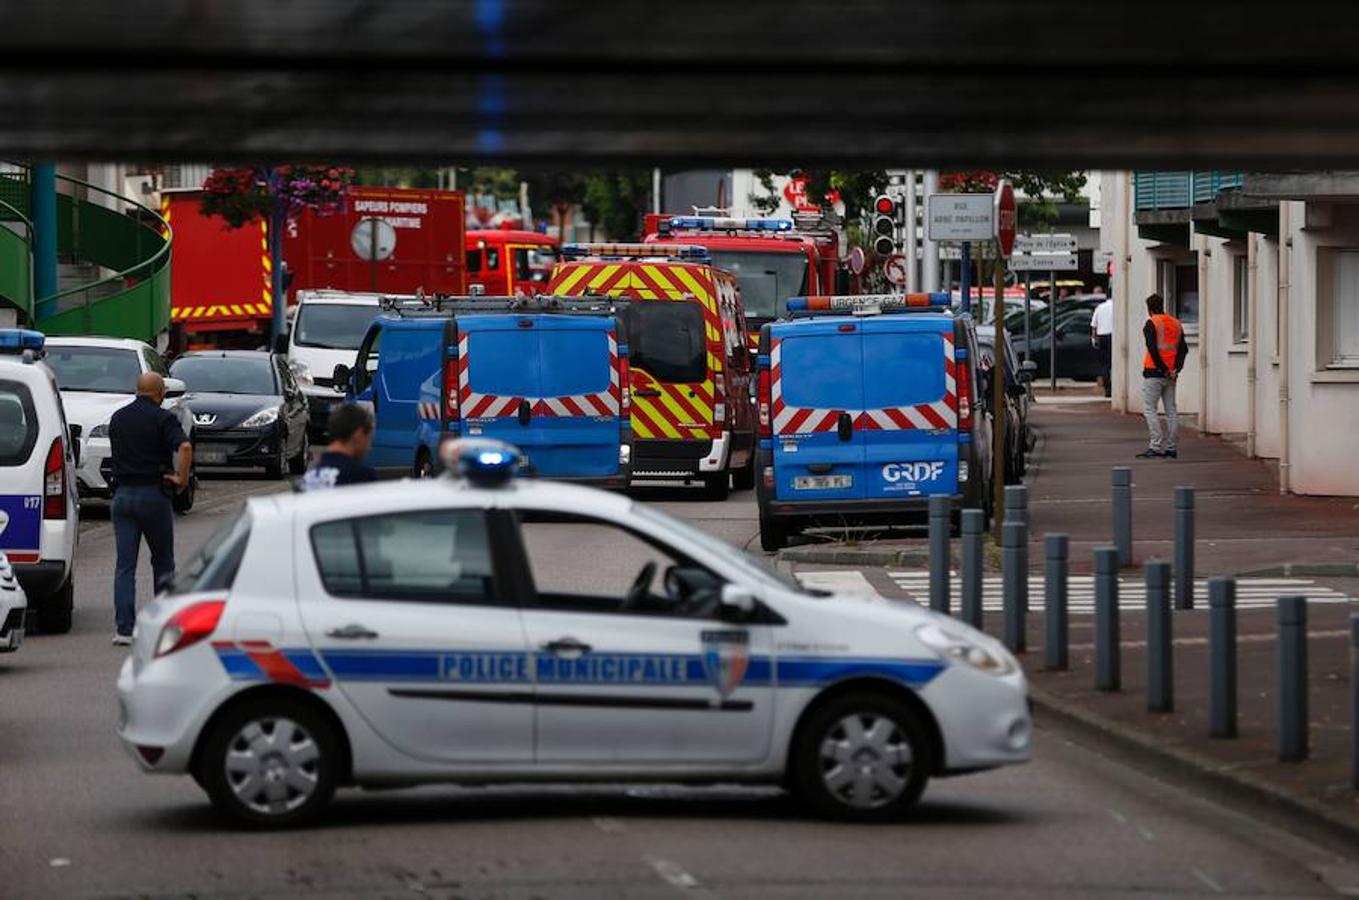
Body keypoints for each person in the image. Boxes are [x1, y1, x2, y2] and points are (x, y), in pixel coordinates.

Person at [108, 372, 192, 645]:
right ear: (159, 393)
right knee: (163, 562)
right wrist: (182, 478)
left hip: (122, 496)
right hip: (153, 495)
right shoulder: (163, 418)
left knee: (125, 566)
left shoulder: (118, 418)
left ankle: (123, 630)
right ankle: (161, 626)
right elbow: (185, 446)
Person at [1137, 293, 1188, 460]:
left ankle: (1156, 445)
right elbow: (1183, 350)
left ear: (1150, 309)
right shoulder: (1176, 323)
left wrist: (1163, 368)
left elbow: (1152, 348)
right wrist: (1175, 370)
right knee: (1171, 410)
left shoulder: (1151, 323)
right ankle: (1172, 448)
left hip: (1153, 372)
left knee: (1150, 409)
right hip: (1171, 375)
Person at [301, 402, 377, 490]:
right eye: (368, 438)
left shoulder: (309, 477)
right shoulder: (362, 478)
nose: (368, 447)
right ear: (358, 434)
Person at [1090, 289, 1114, 397]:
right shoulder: (1117, 307)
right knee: (1115, 363)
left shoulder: (1100, 307)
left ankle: (1107, 388)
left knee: (1105, 364)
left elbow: (1094, 326)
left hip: (1102, 336)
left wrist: (1094, 339)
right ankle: (1115, 386)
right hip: (1114, 336)